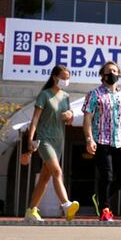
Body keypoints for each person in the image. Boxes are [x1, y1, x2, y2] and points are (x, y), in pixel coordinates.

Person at [82, 60, 121, 222]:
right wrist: (89, 139)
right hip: (101, 141)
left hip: (120, 142)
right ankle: (105, 210)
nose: (112, 74)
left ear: (119, 75)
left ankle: (102, 198)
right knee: (106, 176)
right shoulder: (94, 94)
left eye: (115, 71)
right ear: (102, 75)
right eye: (108, 71)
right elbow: (87, 119)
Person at [23, 65, 80, 223]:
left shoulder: (66, 96)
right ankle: (66, 204)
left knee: (44, 179)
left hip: (59, 140)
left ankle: (31, 211)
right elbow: (35, 119)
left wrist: (70, 115)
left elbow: (69, 121)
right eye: (63, 77)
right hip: (44, 139)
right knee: (57, 171)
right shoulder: (44, 95)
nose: (65, 80)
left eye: (68, 78)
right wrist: (30, 139)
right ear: (55, 77)